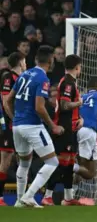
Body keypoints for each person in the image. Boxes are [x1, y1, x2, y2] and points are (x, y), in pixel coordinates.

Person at [2, 45, 64, 208]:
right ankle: (29, 196)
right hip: (32, 126)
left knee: (24, 164)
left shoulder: (24, 75)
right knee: (52, 162)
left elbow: (8, 100)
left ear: (36, 59)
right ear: (50, 61)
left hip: (17, 126)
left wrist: (15, 118)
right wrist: (53, 126)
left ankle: (19, 201)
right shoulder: (42, 78)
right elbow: (39, 107)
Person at [42, 54, 90, 206]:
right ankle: (47, 196)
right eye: (80, 66)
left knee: (68, 163)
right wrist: (79, 103)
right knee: (59, 162)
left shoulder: (69, 82)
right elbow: (64, 105)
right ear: (77, 67)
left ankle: (68, 198)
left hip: (70, 127)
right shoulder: (68, 83)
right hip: (63, 128)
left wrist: (79, 117)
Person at [75, 77, 97, 196]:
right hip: (88, 132)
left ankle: (70, 193)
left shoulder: (81, 97)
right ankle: (67, 168)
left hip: (79, 131)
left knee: (89, 172)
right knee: (84, 168)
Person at [0, 52, 26, 206]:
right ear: (20, 62)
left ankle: (22, 196)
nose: (26, 64)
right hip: (9, 126)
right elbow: (5, 102)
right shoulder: (8, 77)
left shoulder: (21, 79)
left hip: (18, 125)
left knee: (18, 159)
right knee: (5, 160)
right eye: (24, 61)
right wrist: (15, 120)